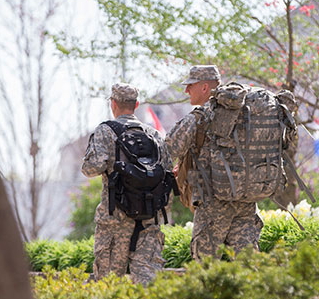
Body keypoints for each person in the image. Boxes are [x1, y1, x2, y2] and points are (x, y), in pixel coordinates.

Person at [166, 65, 264, 259]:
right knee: (248, 264)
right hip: (246, 199)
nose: (186, 90)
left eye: (190, 85)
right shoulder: (248, 113)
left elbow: (168, 148)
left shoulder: (202, 115)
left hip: (213, 202)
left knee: (205, 266)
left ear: (204, 88)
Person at [81, 82, 171, 285]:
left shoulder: (106, 131)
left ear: (113, 104)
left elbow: (90, 168)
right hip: (148, 219)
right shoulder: (154, 135)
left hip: (115, 220)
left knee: (108, 283)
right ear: (136, 104)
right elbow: (167, 172)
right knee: (148, 281)